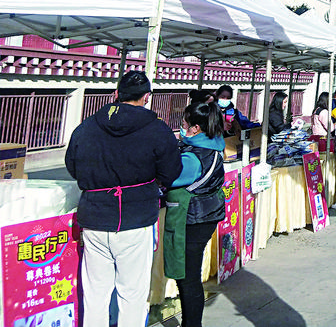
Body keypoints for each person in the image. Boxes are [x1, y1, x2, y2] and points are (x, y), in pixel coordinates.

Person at [65, 70, 182, 327]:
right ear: (146, 97)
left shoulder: (87, 126)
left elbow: (72, 167)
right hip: (136, 220)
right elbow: (171, 172)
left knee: (95, 293)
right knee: (132, 294)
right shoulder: (157, 129)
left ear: (116, 94)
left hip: (95, 218)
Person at [164, 101, 226, 327]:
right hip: (207, 214)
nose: (182, 128)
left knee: (188, 278)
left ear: (195, 128)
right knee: (190, 275)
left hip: (193, 218)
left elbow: (170, 177)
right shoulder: (214, 146)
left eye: (184, 124)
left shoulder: (193, 157)